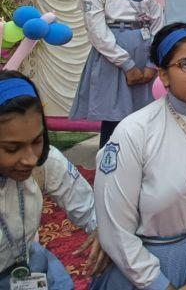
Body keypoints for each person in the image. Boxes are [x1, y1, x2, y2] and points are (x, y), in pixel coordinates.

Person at [92, 23, 186, 290]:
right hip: (144, 267)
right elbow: (115, 229)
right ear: (163, 75)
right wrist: (160, 284)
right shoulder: (134, 131)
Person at [0, 71, 107, 289]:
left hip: (31, 266)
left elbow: (89, 208)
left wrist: (104, 231)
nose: (31, 159)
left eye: (37, 141)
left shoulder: (45, 162)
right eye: (12, 148)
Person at [70, 0, 164, 147]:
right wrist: (127, 64)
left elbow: (158, 24)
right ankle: (111, 159)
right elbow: (97, 33)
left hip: (145, 52)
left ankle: (147, 158)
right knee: (116, 116)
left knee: (148, 114)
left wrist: (152, 63)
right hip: (114, 58)